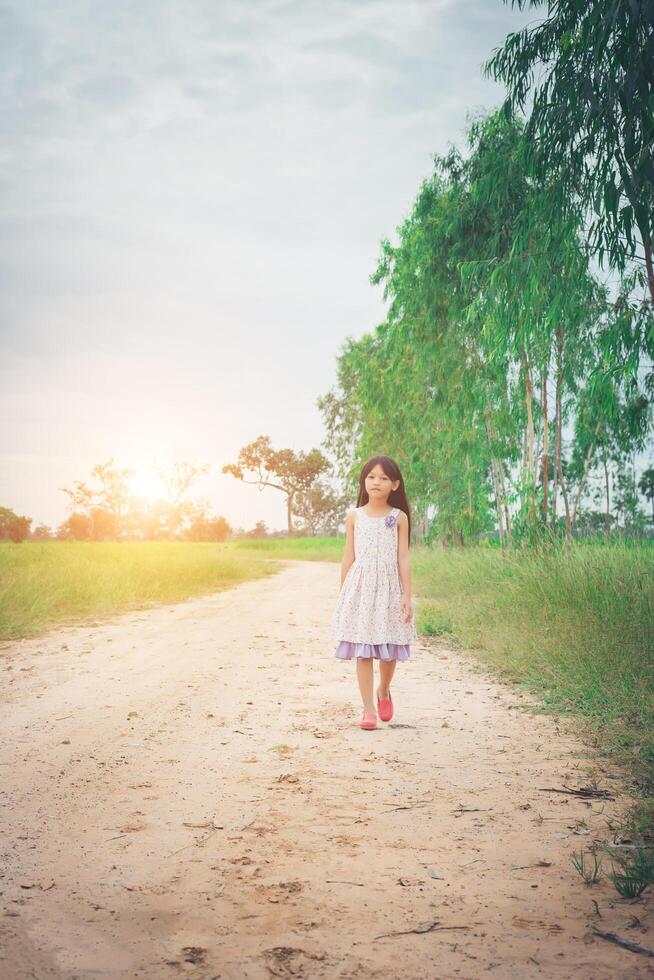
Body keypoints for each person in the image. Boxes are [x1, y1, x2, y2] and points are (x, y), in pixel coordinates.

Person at [331, 455, 417, 730]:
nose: (376, 482)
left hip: (390, 587)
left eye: (383, 478)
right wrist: (343, 593)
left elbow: (403, 558)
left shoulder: (398, 517)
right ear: (363, 481)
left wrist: (406, 595)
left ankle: (384, 691)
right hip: (361, 587)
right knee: (364, 650)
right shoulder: (354, 516)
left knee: (389, 648)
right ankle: (368, 709)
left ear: (395, 484)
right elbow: (348, 555)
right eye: (371, 477)